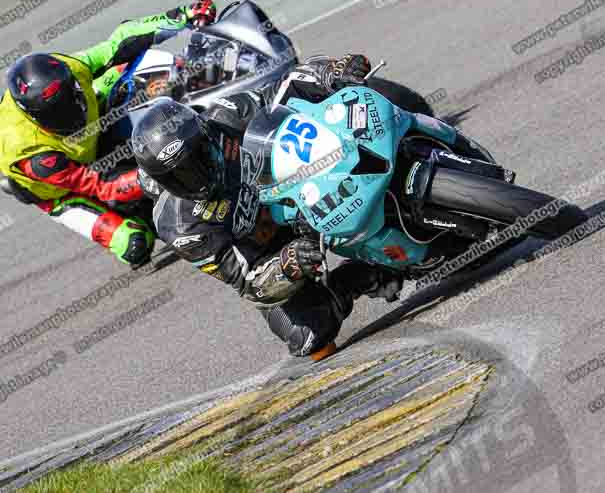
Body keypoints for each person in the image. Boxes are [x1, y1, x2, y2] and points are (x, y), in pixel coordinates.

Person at [132, 54, 405, 360]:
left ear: (205, 133)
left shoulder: (225, 116)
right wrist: (288, 263)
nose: (195, 177)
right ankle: (358, 277)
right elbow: (247, 282)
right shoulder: (180, 227)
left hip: (306, 185)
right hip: (273, 249)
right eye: (179, 177)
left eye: (198, 159)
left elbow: (283, 88)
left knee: (353, 103)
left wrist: (330, 71)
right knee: (310, 339)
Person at [0, 0, 218, 266]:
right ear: (34, 117)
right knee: (135, 243)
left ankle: (207, 93)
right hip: (67, 187)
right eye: (57, 111)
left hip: (92, 130)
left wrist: (184, 15)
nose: (69, 111)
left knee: (138, 67)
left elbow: (120, 41)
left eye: (70, 97)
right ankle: (138, 216)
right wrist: (159, 171)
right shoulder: (33, 155)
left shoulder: (68, 69)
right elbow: (101, 186)